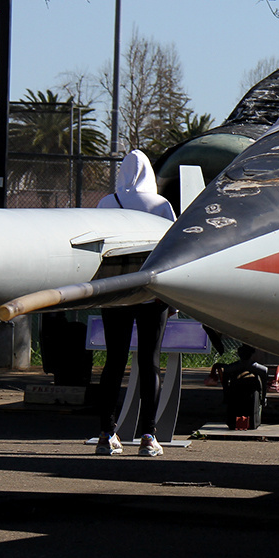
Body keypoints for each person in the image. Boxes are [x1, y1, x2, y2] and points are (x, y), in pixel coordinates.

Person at [95, 150, 176, 457]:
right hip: (150, 293)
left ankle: (106, 433)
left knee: (114, 362)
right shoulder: (160, 205)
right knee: (149, 363)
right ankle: (148, 436)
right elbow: (171, 247)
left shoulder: (106, 202)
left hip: (114, 292)